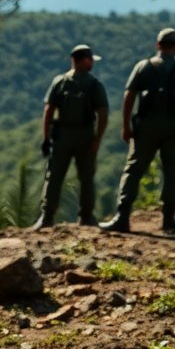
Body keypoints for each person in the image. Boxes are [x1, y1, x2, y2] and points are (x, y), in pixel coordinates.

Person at [100, 28, 175, 234]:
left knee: (134, 169)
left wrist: (125, 125)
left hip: (146, 126)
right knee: (172, 171)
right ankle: (169, 219)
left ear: (157, 45)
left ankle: (122, 217)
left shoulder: (143, 67)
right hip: (174, 127)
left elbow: (129, 96)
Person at [33, 44, 109, 228]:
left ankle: (47, 217)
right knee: (86, 177)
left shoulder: (59, 82)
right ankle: (86, 216)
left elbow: (48, 111)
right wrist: (97, 139)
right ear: (84, 60)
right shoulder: (94, 84)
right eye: (90, 60)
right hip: (85, 135)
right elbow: (103, 114)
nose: (92, 63)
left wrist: (46, 137)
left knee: (54, 176)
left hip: (61, 136)